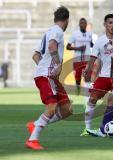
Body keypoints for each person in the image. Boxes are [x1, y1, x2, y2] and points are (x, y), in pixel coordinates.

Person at [25, 6, 72, 150]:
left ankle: (36, 123)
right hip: (48, 76)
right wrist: (57, 65)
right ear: (67, 20)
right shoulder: (57, 31)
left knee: (66, 110)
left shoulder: (48, 32)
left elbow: (35, 55)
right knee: (51, 108)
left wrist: (43, 67)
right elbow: (52, 47)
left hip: (49, 76)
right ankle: (32, 140)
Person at [66, 18, 93, 95]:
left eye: (84, 23)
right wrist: (78, 48)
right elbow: (68, 47)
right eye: (81, 23)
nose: (83, 25)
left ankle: (88, 91)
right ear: (79, 25)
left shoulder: (89, 34)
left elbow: (91, 44)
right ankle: (78, 88)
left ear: (86, 25)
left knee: (87, 76)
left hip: (87, 59)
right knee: (77, 77)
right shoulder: (75, 34)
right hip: (77, 59)